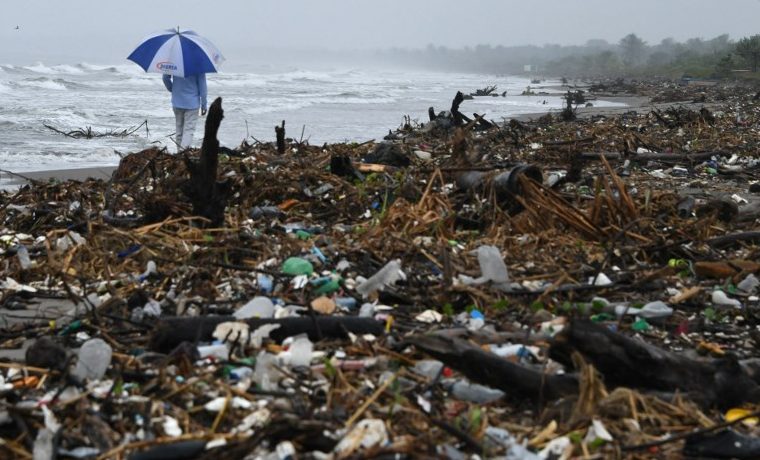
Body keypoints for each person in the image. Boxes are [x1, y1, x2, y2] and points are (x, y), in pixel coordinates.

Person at [162, 73, 207, 151]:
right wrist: (204, 104)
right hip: (192, 104)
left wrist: (172, 89)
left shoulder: (174, 62)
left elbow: (165, 78)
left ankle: (179, 153)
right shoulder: (199, 65)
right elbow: (202, 87)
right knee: (188, 131)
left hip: (177, 102)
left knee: (179, 130)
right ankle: (182, 153)